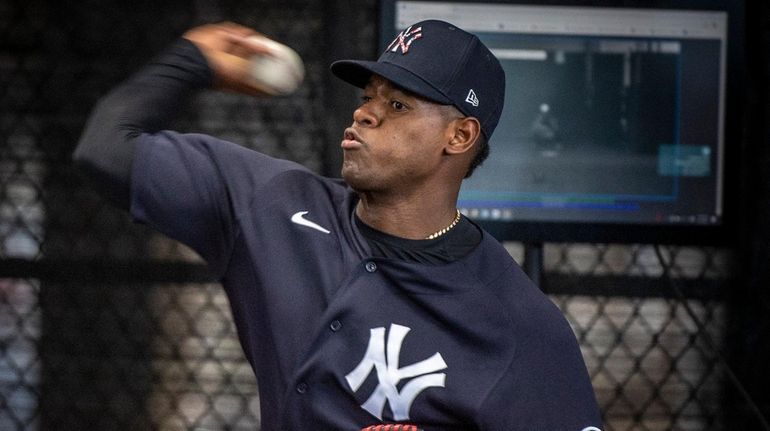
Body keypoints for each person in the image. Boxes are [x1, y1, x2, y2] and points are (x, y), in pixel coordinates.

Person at [74, 20, 603, 431]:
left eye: (397, 104)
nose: (365, 115)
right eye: (367, 96)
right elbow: (106, 151)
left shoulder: (519, 327)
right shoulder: (270, 205)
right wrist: (191, 60)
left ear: (460, 137)